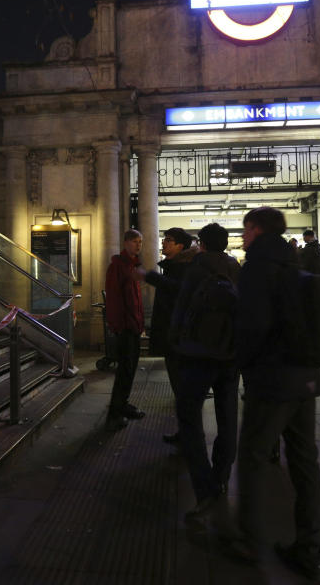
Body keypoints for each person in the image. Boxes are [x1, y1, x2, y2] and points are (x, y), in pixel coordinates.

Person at [230, 206, 320, 579]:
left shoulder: (256, 267)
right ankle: (310, 545)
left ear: (255, 229)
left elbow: (253, 326)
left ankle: (250, 540)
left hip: (272, 379)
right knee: (304, 461)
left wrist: (241, 364)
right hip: (306, 376)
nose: (242, 236)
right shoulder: (295, 262)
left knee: (253, 456)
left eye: (245, 229)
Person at [168, 223, 241, 521]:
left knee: (189, 415)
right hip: (230, 354)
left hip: (198, 354)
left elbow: (183, 308)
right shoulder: (236, 269)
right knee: (228, 415)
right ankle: (222, 475)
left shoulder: (196, 268)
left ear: (203, 244)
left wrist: (175, 341)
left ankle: (204, 484)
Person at [140, 227, 198, 443]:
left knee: (183, 389)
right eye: (164, 239)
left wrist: (151, 277)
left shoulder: (182, 268)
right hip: (174, 335)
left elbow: (179, 292)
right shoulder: (176, 267)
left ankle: (190, 438)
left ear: (180, 246)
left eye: (169, 240)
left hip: (178, 337)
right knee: (181, 389)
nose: (164, 243)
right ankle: (187, 435)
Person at [104, 229, 146, 432]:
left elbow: (135, 301)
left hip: (133, 326)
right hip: (125, 327)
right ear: (126, 243)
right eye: (135, 241)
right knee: (124, 371)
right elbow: (114, 299)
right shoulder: (118, 267)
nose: (138, 245)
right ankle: (115, 412)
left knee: (129, 370)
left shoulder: (132, 265)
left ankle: (123, 404)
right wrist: (118, 326)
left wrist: (140, 325)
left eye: (140, 242)